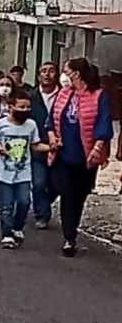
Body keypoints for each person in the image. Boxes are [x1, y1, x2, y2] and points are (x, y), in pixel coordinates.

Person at [46, 58, 114, 257]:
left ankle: (73, 229)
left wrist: (98, 148)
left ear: (77, 73)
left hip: (86, 157)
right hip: (64, 154)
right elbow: (50, 120)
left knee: (79, 196)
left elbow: (104, 124)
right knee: (66, 194)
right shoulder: (63, 94)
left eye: (67, 71)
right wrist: (52, 137)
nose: (64, 75)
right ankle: (69, 237)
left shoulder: (98, 96)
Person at [0, 88, 48, 249]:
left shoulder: (31, 125)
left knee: (24, 202)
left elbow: (35, 145)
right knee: (6, 206)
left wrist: (51, 148)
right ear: (11, 106)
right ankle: (7, 235)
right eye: (21, 107)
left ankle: (17, 227)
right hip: (4, 173)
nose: (25, 110)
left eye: (28, 107)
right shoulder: (0, 125)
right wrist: (0, 149)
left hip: (23, 172)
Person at [30, 61, 60, 229]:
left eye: (51, 71)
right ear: (38, 75)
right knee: (39, 182)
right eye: (44, 71)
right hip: (37, 147)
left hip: (59, 148)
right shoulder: (31, 97)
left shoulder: (65, 96)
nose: (47, 74)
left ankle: (43, 203)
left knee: (56, 185)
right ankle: (42, 215)